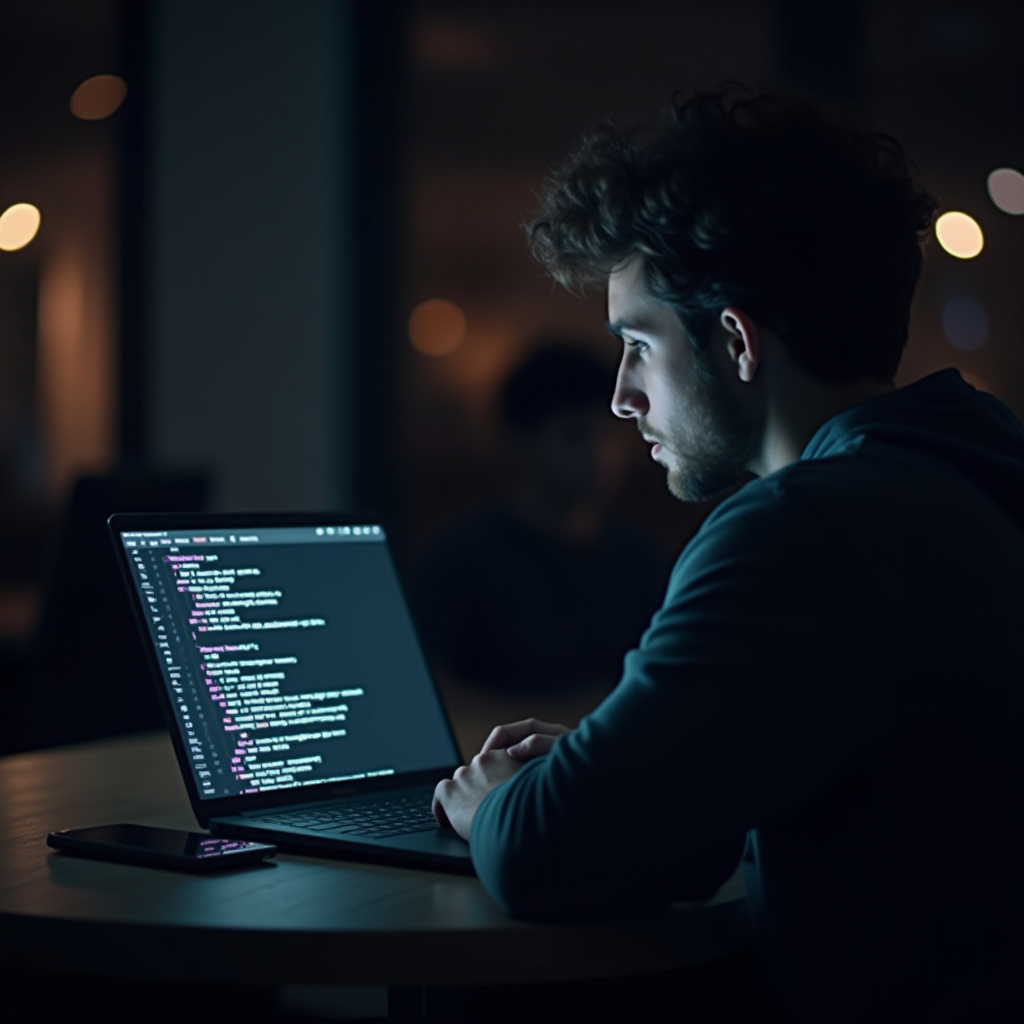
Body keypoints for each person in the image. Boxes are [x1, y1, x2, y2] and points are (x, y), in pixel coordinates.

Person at [431, 87, 1024, 1023]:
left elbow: (545, 855)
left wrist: (493, 802)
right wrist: (613, 768)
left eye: (637, 345)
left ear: (737, 341)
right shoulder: (964, 472)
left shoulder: (804, 530)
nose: (623, 398)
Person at [417, 341, 669, 695]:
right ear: (523, 441)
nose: (600, 455)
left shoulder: (637, 557)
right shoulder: (463, 557)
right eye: (575, 435)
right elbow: (437, 688)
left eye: (609, 435)